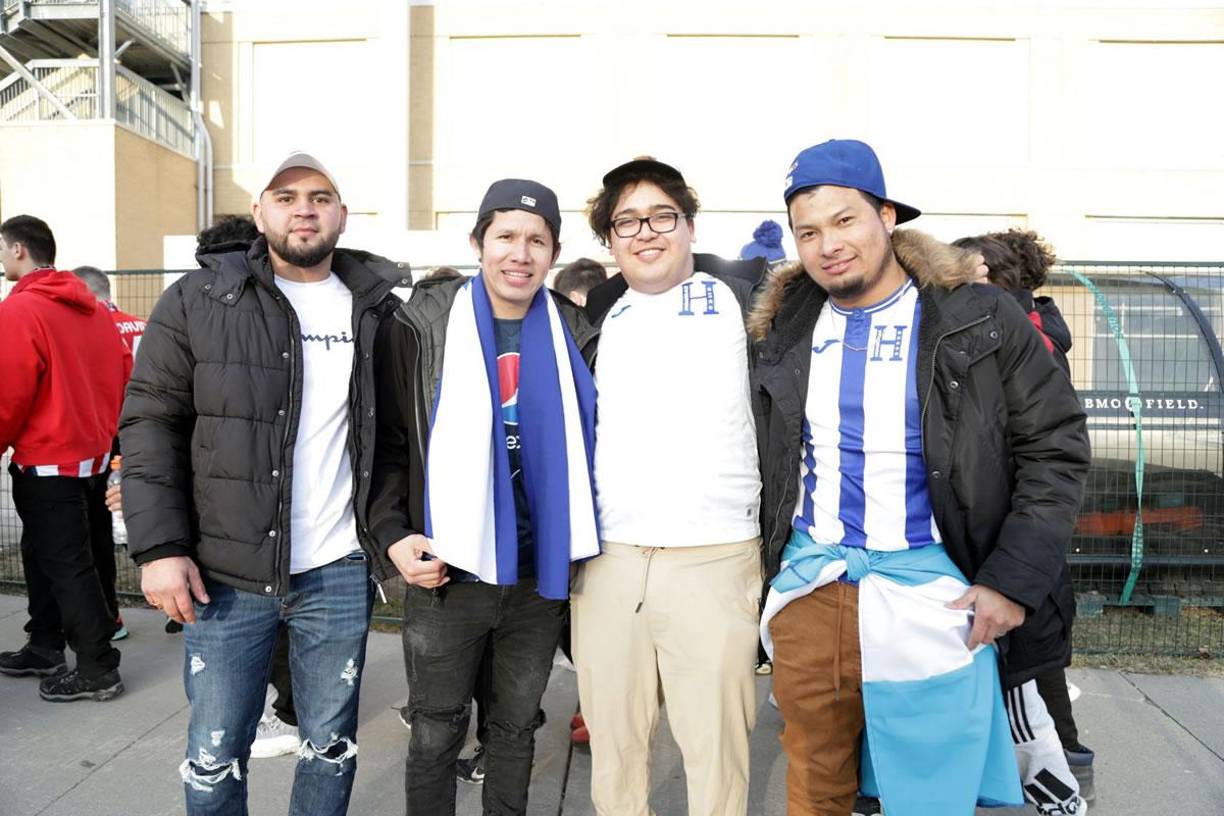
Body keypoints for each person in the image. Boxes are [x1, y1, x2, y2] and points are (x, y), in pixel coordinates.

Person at [749, 138, 1091, 816]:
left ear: (886, 215)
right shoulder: (785, 324)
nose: (828, 245)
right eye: (807, 231)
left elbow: (1055, 449)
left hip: (938, 592)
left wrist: (1010, 582)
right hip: (814, 585)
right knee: (815, 779)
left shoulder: (977, 315)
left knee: (930, 790)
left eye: (845, 220)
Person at [119, 151, 409, 815]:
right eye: (285, 197)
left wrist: (387, 531)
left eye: (319, 197)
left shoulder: (377, 312)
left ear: (342, 214)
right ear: (259, 213)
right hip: (225, 573)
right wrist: (160, 548)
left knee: (330, 745)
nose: (303, 209)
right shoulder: (198, 299)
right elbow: (151, 424)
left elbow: (391, 442)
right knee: (216, 751)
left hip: (338, 570)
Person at [368, 178, 599, 816]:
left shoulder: (577, 331)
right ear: (478, 243)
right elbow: (387, 446)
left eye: (536, 240)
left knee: (515, 728)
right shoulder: (421, 326)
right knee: (436, 728)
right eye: (505, 237)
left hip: (537, 574)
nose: (519, 253)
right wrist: (393, 536)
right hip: (449, 569)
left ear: (553, 253)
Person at [573, 157, 766, 816]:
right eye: (627, 222)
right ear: (610, 239)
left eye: (662, 216)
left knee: (715, 752)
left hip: (715, 555)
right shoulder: (597, 319)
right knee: (615, 750)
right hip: (610, 560)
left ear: (689, 225)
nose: (645, 233)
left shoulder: (747, 303)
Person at [952, 230, 1092, 812]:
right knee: (1032, 675)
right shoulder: (1029, 327)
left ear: (984, 276)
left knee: (1025, 683)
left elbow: (1043, 448)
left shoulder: (1018, 338)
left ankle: (1064, 780)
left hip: (1014, 541)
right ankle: (1067, 764)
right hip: (1014, 541)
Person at [0, 215, 130, 702]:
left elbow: (8, 390)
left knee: (66, 563)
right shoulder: (93, 310)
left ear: (18, 249)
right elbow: (119, 376)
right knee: (50, 555)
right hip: (90, 457)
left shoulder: (21, 310)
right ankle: (45, 644)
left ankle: (97, 666)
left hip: (48, 460)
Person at [72, 264, 145, 643]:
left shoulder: (92, 328)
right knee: (156, 517)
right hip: (151, 436)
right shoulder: (144, 325)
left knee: (100, 527)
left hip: (110, 438)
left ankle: (110, 615)